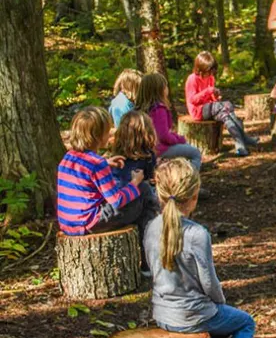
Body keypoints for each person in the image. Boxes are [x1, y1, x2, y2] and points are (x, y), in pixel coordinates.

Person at [145, 159, 276, 338]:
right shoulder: (197, 234)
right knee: (245, 322)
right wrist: (221, 303)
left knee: (220, 322)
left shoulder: (151, 227)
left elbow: (153, 270)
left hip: (162, 314)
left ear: (159, 192)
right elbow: (210, 284)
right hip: (193, 315)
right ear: (194, 196)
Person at [56, 107, 155, 239]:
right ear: (98, 136)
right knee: (144, 189)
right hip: (90, 223)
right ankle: (151, 239)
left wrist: (106, 162)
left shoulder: (69, 157)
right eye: (107, 132)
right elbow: (117, 201)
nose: (110, 135)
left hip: (68, 223)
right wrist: (135, 182)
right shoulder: (97, 164)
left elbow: (85, 174)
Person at [184, 51, 258, 157]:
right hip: (198, 111)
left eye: (212, 71)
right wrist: (209, 91)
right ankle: (245, 138)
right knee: (227, 105)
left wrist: (215, 97)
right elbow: (192, 100)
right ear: (201, 69)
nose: (211, 74)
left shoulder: (211, 78)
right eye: (209, 71)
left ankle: (240, 146)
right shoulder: (192, 79)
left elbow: (211, 98)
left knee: (226, 116)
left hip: (212, 108)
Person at [135, 73, 203, 173]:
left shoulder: (139, 109)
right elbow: (163, 136)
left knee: (186, 148)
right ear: (159, 90)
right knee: (195, 153)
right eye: (165, 86)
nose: (167, 89)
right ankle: (188, 181)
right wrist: (179, 139)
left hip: (146, 148)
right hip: (159, 149)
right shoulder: (158, 109)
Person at [109, 110, 159, 206]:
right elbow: (151, 179)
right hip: (135, 200)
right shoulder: (147, 156)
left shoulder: (116, 156)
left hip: (117, 196)